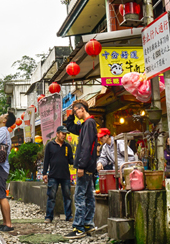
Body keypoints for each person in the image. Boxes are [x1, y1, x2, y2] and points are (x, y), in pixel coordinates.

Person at [64, 100, 98, 239]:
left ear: (82, 109)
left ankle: (78, 227)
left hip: (85, 166)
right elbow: (70, 127)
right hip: (89, 166)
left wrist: (81, 166)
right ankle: (88, 224)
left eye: (76, 110)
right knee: (89, 196)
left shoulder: (89, 123)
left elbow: (86, 146)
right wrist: (71, 114)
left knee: (79, 197)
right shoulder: (86, 124)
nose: (76, 114)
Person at [43, 125, 74, 223]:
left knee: (67, 196)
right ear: (57, 133)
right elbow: (46, 160)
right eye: (62, 133)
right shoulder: (50, 145)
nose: (64, 136)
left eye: (65, 134)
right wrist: (44, 173)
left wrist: (78, 161)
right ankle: (49, 217)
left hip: (65, 175)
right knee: (51, 197)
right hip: (53, 175)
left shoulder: (67, 146)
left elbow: (70, 160)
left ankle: (68, 216)